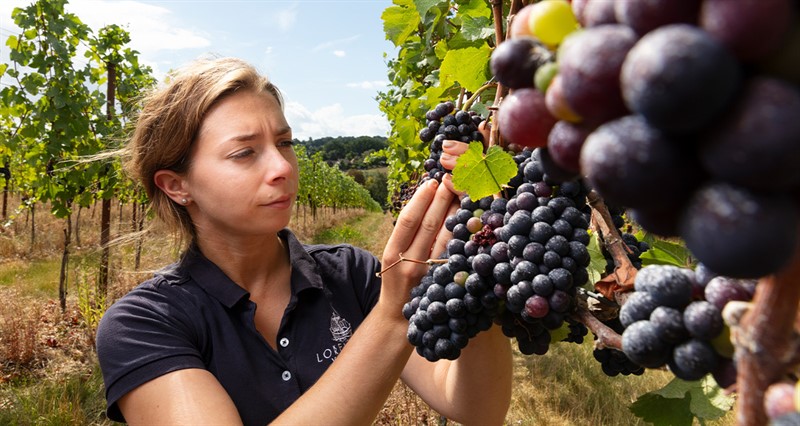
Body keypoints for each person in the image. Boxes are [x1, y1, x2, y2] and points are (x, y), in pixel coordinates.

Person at [95, 56, 512, 425]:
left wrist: (470, 267)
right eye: (244, 153)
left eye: (285, 143)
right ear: (176, 185)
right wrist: (392, 316)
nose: (282, 167)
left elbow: (478, 410)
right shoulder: (141, 325)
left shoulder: (354, 274)